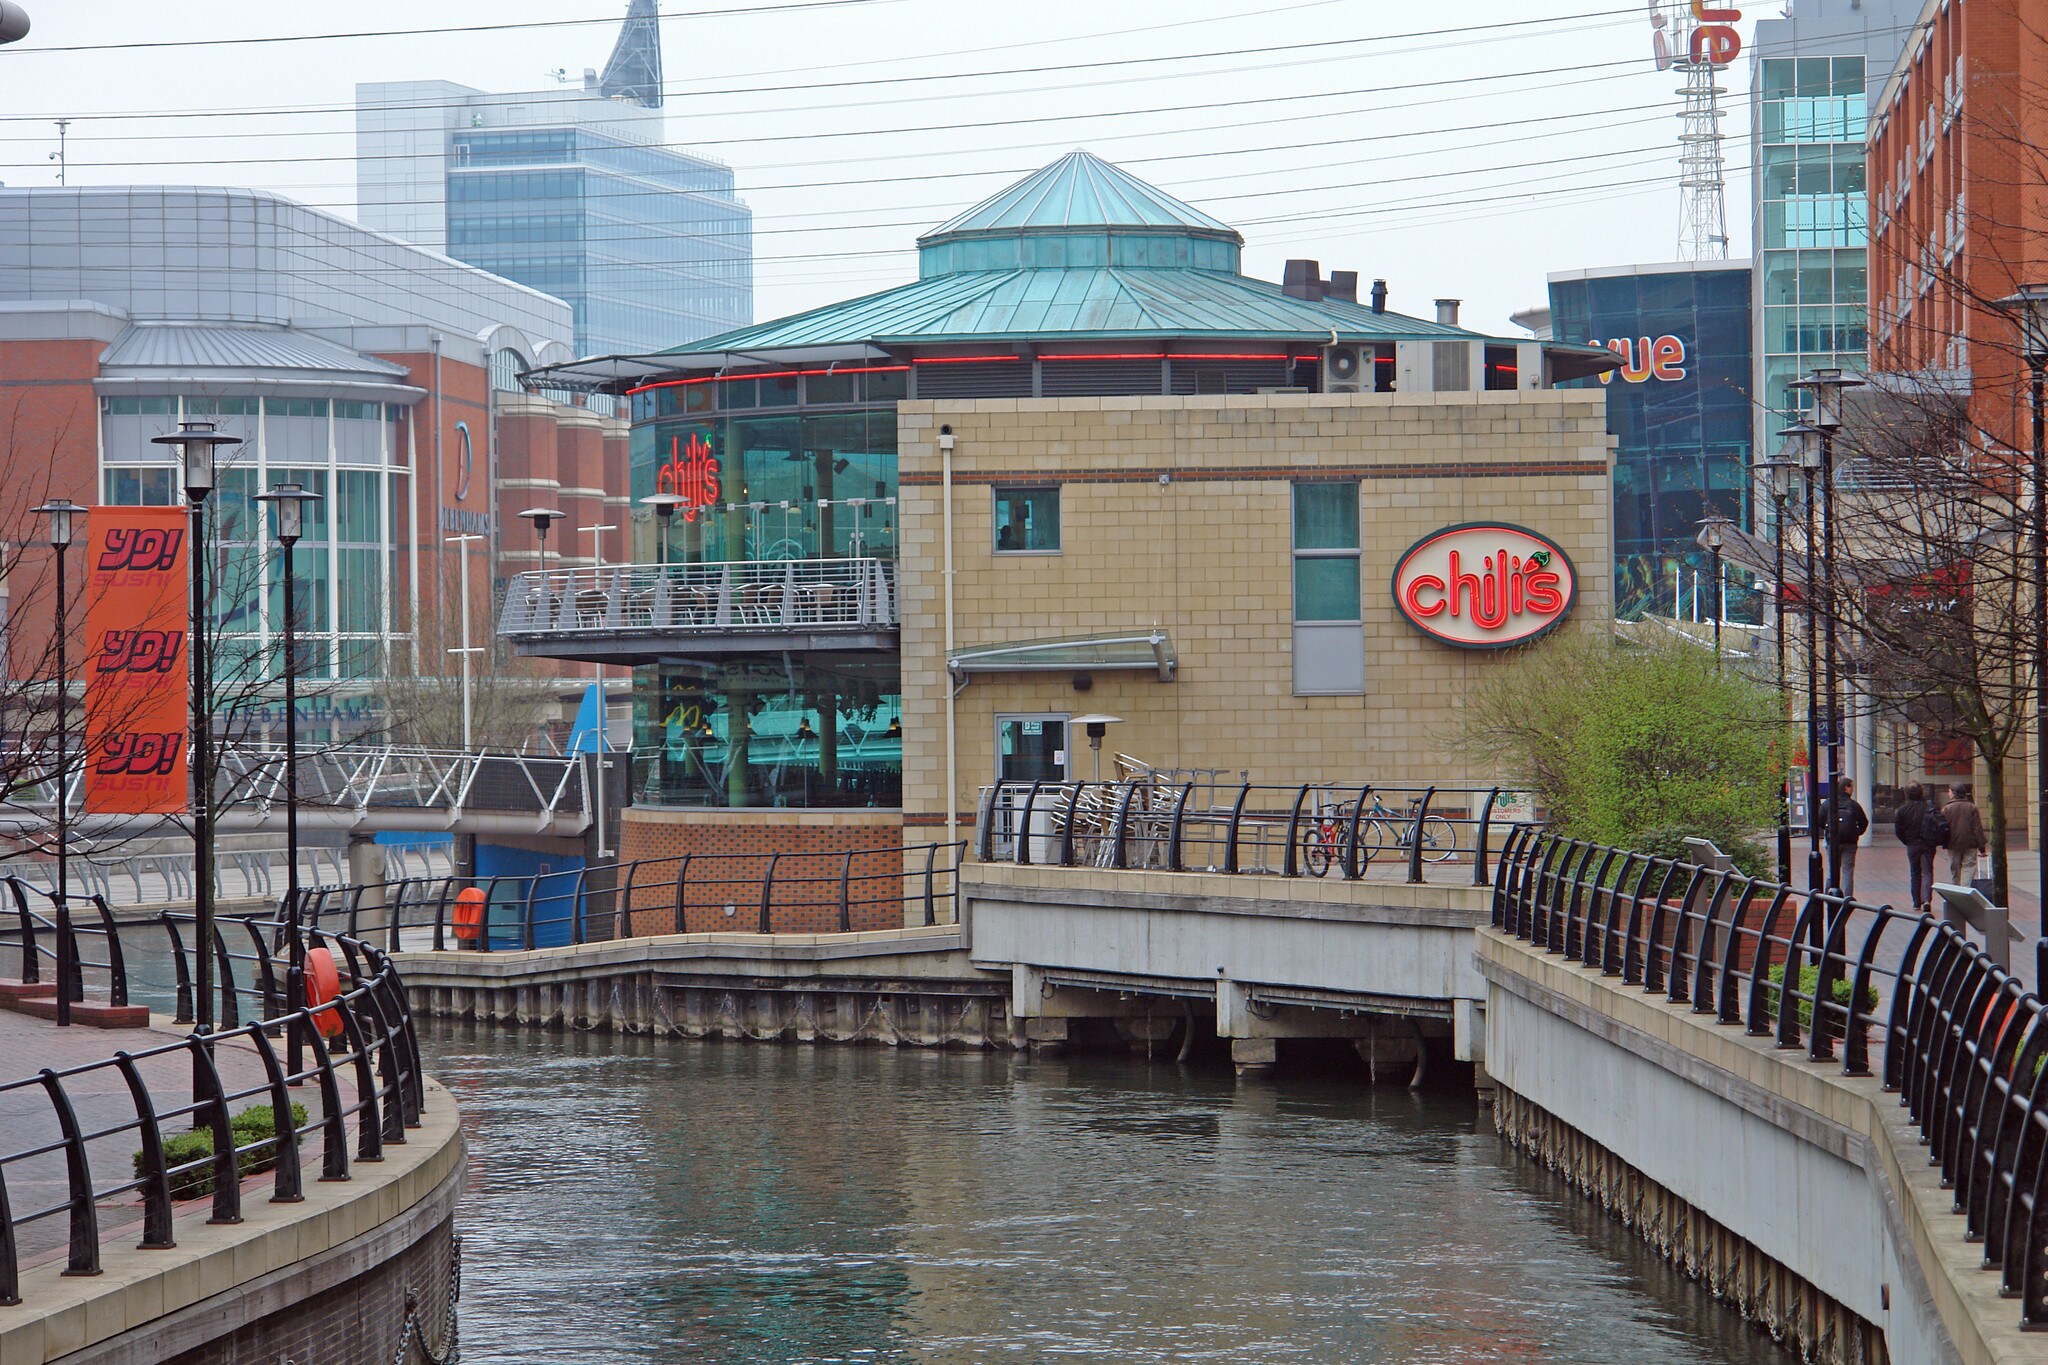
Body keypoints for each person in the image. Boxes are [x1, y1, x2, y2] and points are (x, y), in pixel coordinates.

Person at [1892, 781, 1940, 915]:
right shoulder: (1929, 807)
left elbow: (1898, 830)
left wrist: (1906, 840)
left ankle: (1916, 902)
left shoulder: (1902, 809)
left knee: (1915, 872)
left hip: (1912, 844)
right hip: (1928, 843)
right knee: (1928, 871)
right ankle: (1927, 900)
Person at [1824, 776, 1870, 898]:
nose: (1853, 789)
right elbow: (1864, 822)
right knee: (1847, 871)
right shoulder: (1853, 805)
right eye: (1852, 786)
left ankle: (1827, 894)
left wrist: (1829, 831)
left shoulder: (1829, 803)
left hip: (1833, 841)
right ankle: (1847, 897)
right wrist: (1856, 832)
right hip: (1849, 842)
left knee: (1832, 869)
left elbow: (1819, 819)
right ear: (1846, 788)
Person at [1942, 782, 1988, 890]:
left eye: (1949, 791)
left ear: (1953, 793)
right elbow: (1977, 829)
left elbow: (1943, 829)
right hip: (1970, 843)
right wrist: (1982, 847)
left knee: (1955, 869)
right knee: (1969, 867)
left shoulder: (1946, 809)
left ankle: (1956, 889)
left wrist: (1944, 843)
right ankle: (1965, 889)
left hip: (1953, 844)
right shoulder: (1972, 808)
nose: (1948, 793)